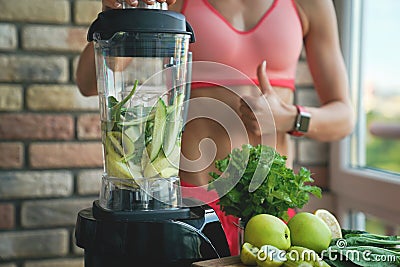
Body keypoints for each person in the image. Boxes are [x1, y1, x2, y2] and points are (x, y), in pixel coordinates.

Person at [76, 0, 354, 256]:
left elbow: (344, 116)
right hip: (191, 208)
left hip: (270, 207)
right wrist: (115, 14)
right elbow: (89, 83)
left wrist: (292, 117)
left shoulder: (311, 4)